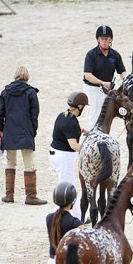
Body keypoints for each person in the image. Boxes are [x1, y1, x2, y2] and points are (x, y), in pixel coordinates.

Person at [0, 65, 47, 205]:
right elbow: (34, 115)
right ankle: (30, 196)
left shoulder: (5, 92)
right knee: (29, 163)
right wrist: (33, 131)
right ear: (27, 77)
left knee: (10, 162)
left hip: (9, 131)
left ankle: (9, 195)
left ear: (15, 76)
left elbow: (0, 114)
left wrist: (0, 129)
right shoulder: (31, 93)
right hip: (26, 131)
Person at [48, 91, 88, 219]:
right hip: (64, 157)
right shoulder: (72, 122)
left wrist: (80, 131)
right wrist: (87, 149)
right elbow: (74, 145)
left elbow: (66, 133)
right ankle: (58, 216)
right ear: (80, 107)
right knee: (67, 188)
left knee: (68, 186)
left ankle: (76, 215)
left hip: (56, 153)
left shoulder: (62, 115)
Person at [83, 25, 126, 129]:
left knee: (107, 116)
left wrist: (126, 81)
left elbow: (122, 71)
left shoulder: (115, 55)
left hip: (107, 90)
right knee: (95, 115)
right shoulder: (91, 54)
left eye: (106, 39)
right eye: (102, 39)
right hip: (93, 89)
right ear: (98, 39)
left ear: (111, 39)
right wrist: (102, 82)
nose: (104, 41)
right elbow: (87, 75)